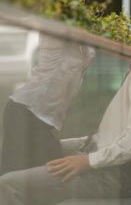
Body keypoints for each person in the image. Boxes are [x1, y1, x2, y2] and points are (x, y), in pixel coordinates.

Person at [0, 60, 131, 204]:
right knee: (29, 150)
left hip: (110, 176)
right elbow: (116, 135)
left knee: (8, 184)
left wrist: (87, 161)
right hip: (102, 159)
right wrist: (76, 145)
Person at [0, 34, 95, 175]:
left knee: (39, 181)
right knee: (17, 180)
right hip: (26, 112)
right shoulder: (56, 30)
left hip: (44, 120)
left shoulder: (84, 35)